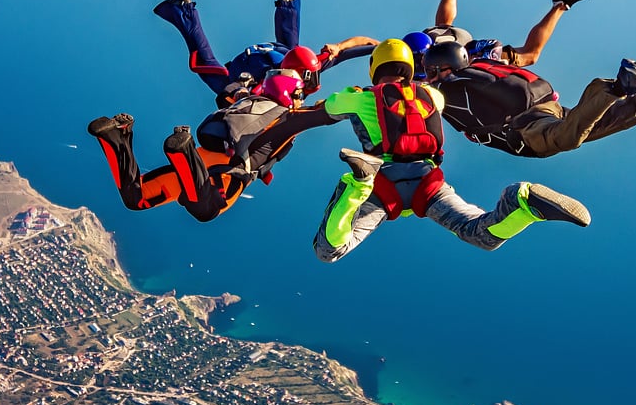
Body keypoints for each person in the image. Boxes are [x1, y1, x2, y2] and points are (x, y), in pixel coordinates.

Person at [249, 39, 591, 263]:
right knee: (481, 234)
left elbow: (305, 120)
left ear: (375, 69)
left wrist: (258, 145)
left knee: (330, 249)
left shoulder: (358, 96)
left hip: (383, 183)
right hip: (428, 183)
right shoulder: (433, 96)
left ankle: (357, 184)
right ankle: (523, 203)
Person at [422, 27, 636, 158]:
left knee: (566, 140)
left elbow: (400, 97)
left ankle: (618, 86)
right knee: (633, 113)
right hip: (552, 109)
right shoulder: (486, 57)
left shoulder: (437, 89)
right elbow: (530, 52)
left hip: (524, 128)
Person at [87, 49, 319, 222]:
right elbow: (326, 114)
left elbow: (224, 97)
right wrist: (353, 98)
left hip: (204, 158)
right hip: (224, 174)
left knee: (137, 198)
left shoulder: (250, 100)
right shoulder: (290, 118)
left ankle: (116, 136)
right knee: (206, 210)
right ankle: (182, 152)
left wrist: (241, 85)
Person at [154, 0, 377, 106]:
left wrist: (368, 47)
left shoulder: (306, 64)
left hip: (260, 62)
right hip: (253, 72)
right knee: (209, 67)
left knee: (290, 50)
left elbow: (351, 49)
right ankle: (182, 9)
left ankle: (287, 2)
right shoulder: (299, 72)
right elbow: (350, 50)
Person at [424, 0, 591, 69]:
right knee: (443, 26)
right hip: (451, 43)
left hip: (466, 56)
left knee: (530, 55)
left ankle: (560, 6)